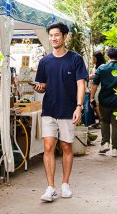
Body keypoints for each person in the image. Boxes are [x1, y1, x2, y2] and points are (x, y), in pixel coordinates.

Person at [33, 22, 88, 202]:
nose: (53, 38)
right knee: (48, 147)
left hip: (67, 110)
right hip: (49, 109)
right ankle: (51, 187)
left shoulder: (75, 59)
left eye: (57, 35)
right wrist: (40, 88)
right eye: (51, 35)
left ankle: (65, 184)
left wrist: (79, 106)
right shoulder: (45, 61)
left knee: (66, 147)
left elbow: (81, 84)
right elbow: (43, 86)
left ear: (65, 37)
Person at [90, 48, 117, 157]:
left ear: (108, 57)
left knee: (104, 121)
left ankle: (105, 143)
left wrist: (92, 98)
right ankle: (115, 149)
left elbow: (94, 84)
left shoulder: (102, 68)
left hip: (104, 100)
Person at [88, 51, 106, 128]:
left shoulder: (102, 66)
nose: (93, 60)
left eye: (94, 59)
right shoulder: (96, 66)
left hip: (99, 87)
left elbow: (97, 77)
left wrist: (91, 76)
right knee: (94, 104)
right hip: (94, 87)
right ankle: (100, 121)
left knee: (96, 104)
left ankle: (102, 122)